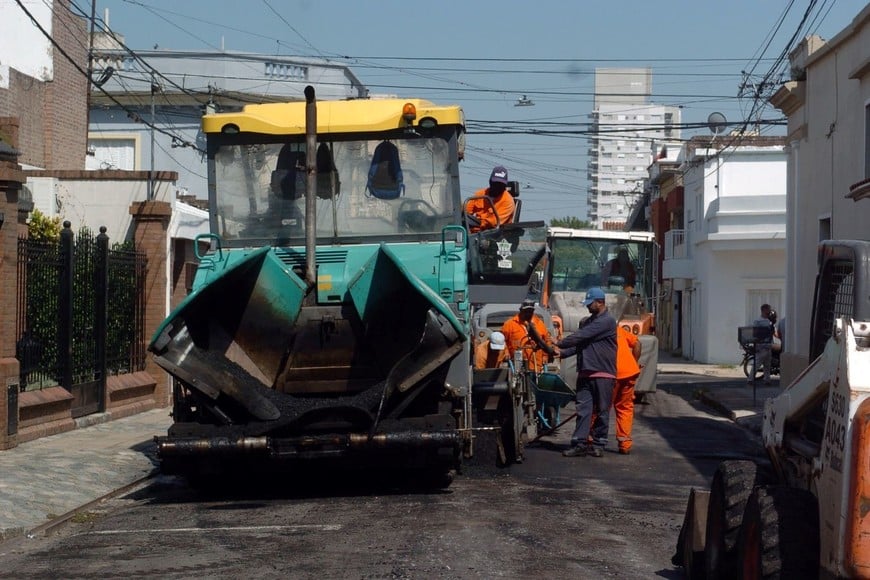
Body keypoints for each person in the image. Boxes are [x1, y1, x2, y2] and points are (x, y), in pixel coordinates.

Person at [556, 287, 617, 458]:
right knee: (583, 410)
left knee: (602, 411)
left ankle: (599, 443)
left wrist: (559, 343)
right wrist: (561, 353)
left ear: (601, 302)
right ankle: (580, 443)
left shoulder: (607, 321)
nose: (588, 307)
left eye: (591, 304)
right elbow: (579, 345)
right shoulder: (588, 322)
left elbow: (580, 337)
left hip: (603, 373)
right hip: (585, 372)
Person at [500, 299, 556, 373]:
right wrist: (506, 353)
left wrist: (545, 355)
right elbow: (501, 340)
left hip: (536, 363)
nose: (528, 313)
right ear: (521, 310)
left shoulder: (539, 323)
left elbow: (546, 340)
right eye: (526, 311)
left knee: (536, 381)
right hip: (517, 363)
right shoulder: (509, 324)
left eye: (531, 311)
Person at [612, 326, 642, 455]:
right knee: (624, 407)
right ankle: (625, 444)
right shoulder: (618, 330)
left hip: (611, 374)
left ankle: (591, 440)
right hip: (629, 372)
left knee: (599, 407)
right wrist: (634, 362)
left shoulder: (596, 329)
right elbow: (637, 343)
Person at [465, 165, 516, 233]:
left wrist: (477, 224)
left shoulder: (508, 201)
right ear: (490, 181)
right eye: (495, 183)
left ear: (505, 185)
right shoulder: (480, 194)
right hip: (476, 233)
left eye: (500, 184)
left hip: (497, 235)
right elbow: (466, 211)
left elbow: (493, 223)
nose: (497, 186)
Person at [750, 304, 776, 385]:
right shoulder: (758, 321)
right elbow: (755, 333)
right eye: (768, 310)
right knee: (757, 364)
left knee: (767, 365)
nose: (769, 312)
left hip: (768, 344)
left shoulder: (769, 321)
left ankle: (767, 380)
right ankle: (750, 379)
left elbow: (772, 332)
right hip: (761, 345)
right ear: (764, 310)